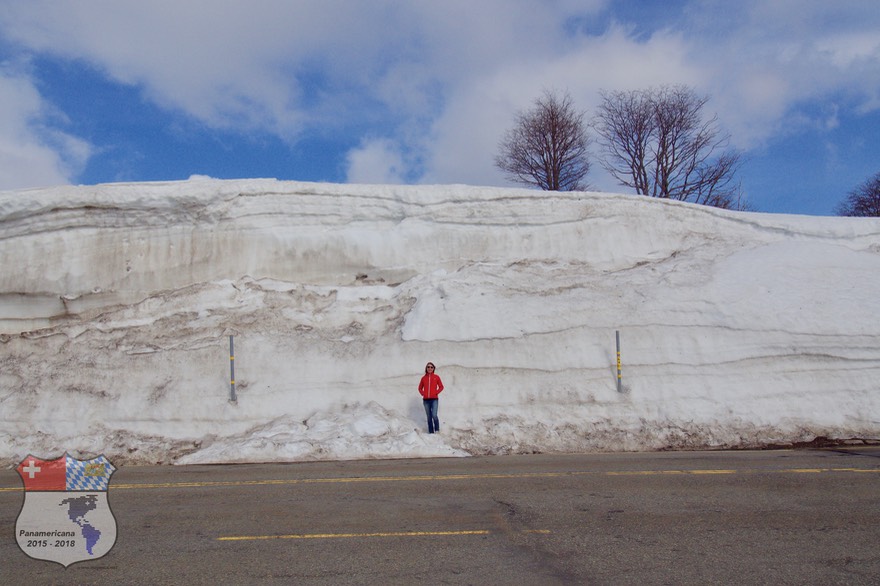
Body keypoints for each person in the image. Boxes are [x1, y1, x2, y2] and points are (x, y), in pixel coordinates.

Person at [418, 362, 444, 433]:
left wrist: (436, 392)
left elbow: (441, 387)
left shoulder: (436, 377)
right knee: (429, 416)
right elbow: (420, 388)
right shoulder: (423, 378)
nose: (430, 368)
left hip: (434, 399)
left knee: (434, 415)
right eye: (428, 367)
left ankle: (437, 430)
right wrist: (423, 393)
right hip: (426, 400)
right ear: (426, 368)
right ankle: (431, 432)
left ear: (433, 369)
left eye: (431, 367)